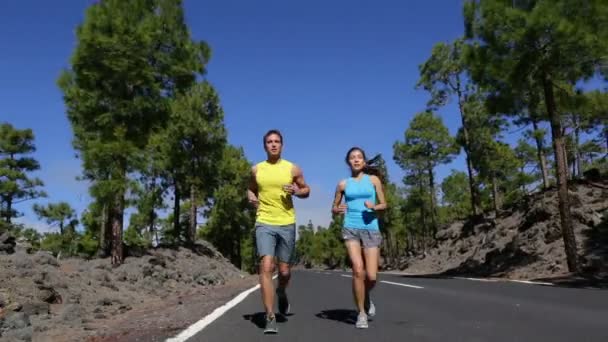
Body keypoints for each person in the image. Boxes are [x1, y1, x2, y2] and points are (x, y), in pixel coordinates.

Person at [247, 129, 310, 334]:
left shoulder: (292, 168)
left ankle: (281, 291)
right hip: (264, 221)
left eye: (277, 142)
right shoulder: (256, 169)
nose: (273, 145)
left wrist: (297, 191)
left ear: (282, 145)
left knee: (284, 271)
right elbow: (250, 188)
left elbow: (306, 189)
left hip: (286, 222)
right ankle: (270, 316)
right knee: (266, 266)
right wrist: (251, 197)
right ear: (264, 146)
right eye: (269, 142)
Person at [331, 147, 387, 329]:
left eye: (359, 157)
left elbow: (384, 204)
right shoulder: (343, 184)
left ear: (364, 161)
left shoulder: (373, 180)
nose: (356, 160)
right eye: (352, 158)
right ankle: (361, 313)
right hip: (351, 227)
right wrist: (336, 210)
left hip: (371, 227)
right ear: (348, 162)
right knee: (357, 269)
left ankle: (365, 294)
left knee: (371, 277)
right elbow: (334, 207)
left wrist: (374, 206)